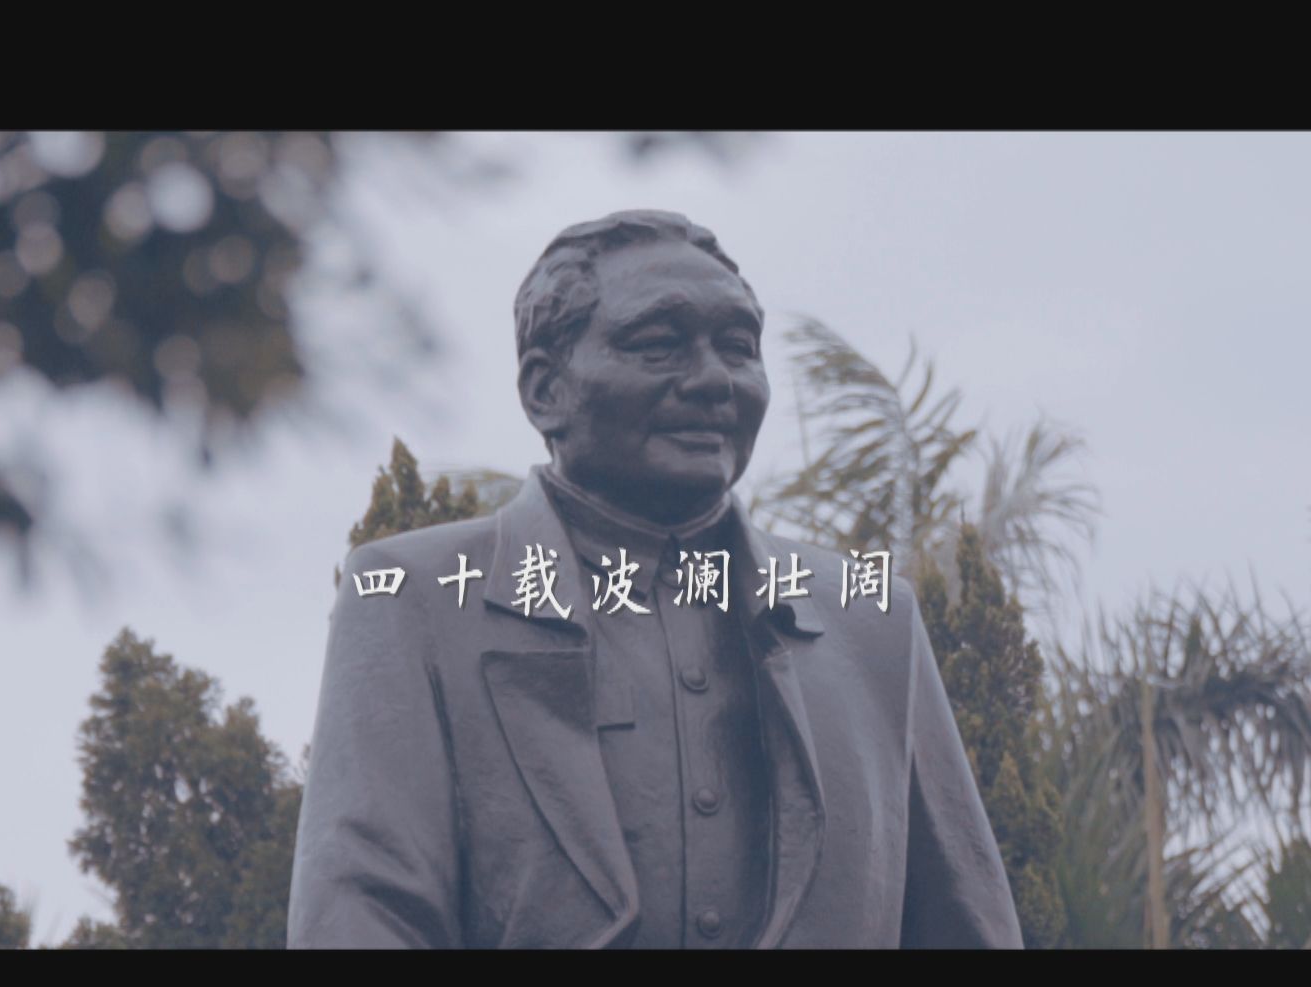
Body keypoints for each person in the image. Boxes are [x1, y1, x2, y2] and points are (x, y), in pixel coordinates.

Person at [288, 209, 1022, 948]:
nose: (713, 380)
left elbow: (966, 925)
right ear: (545, 390)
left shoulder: (872, 621)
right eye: (659, 346)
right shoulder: (413, 597)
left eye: (738, 347)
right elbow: (362, 915)